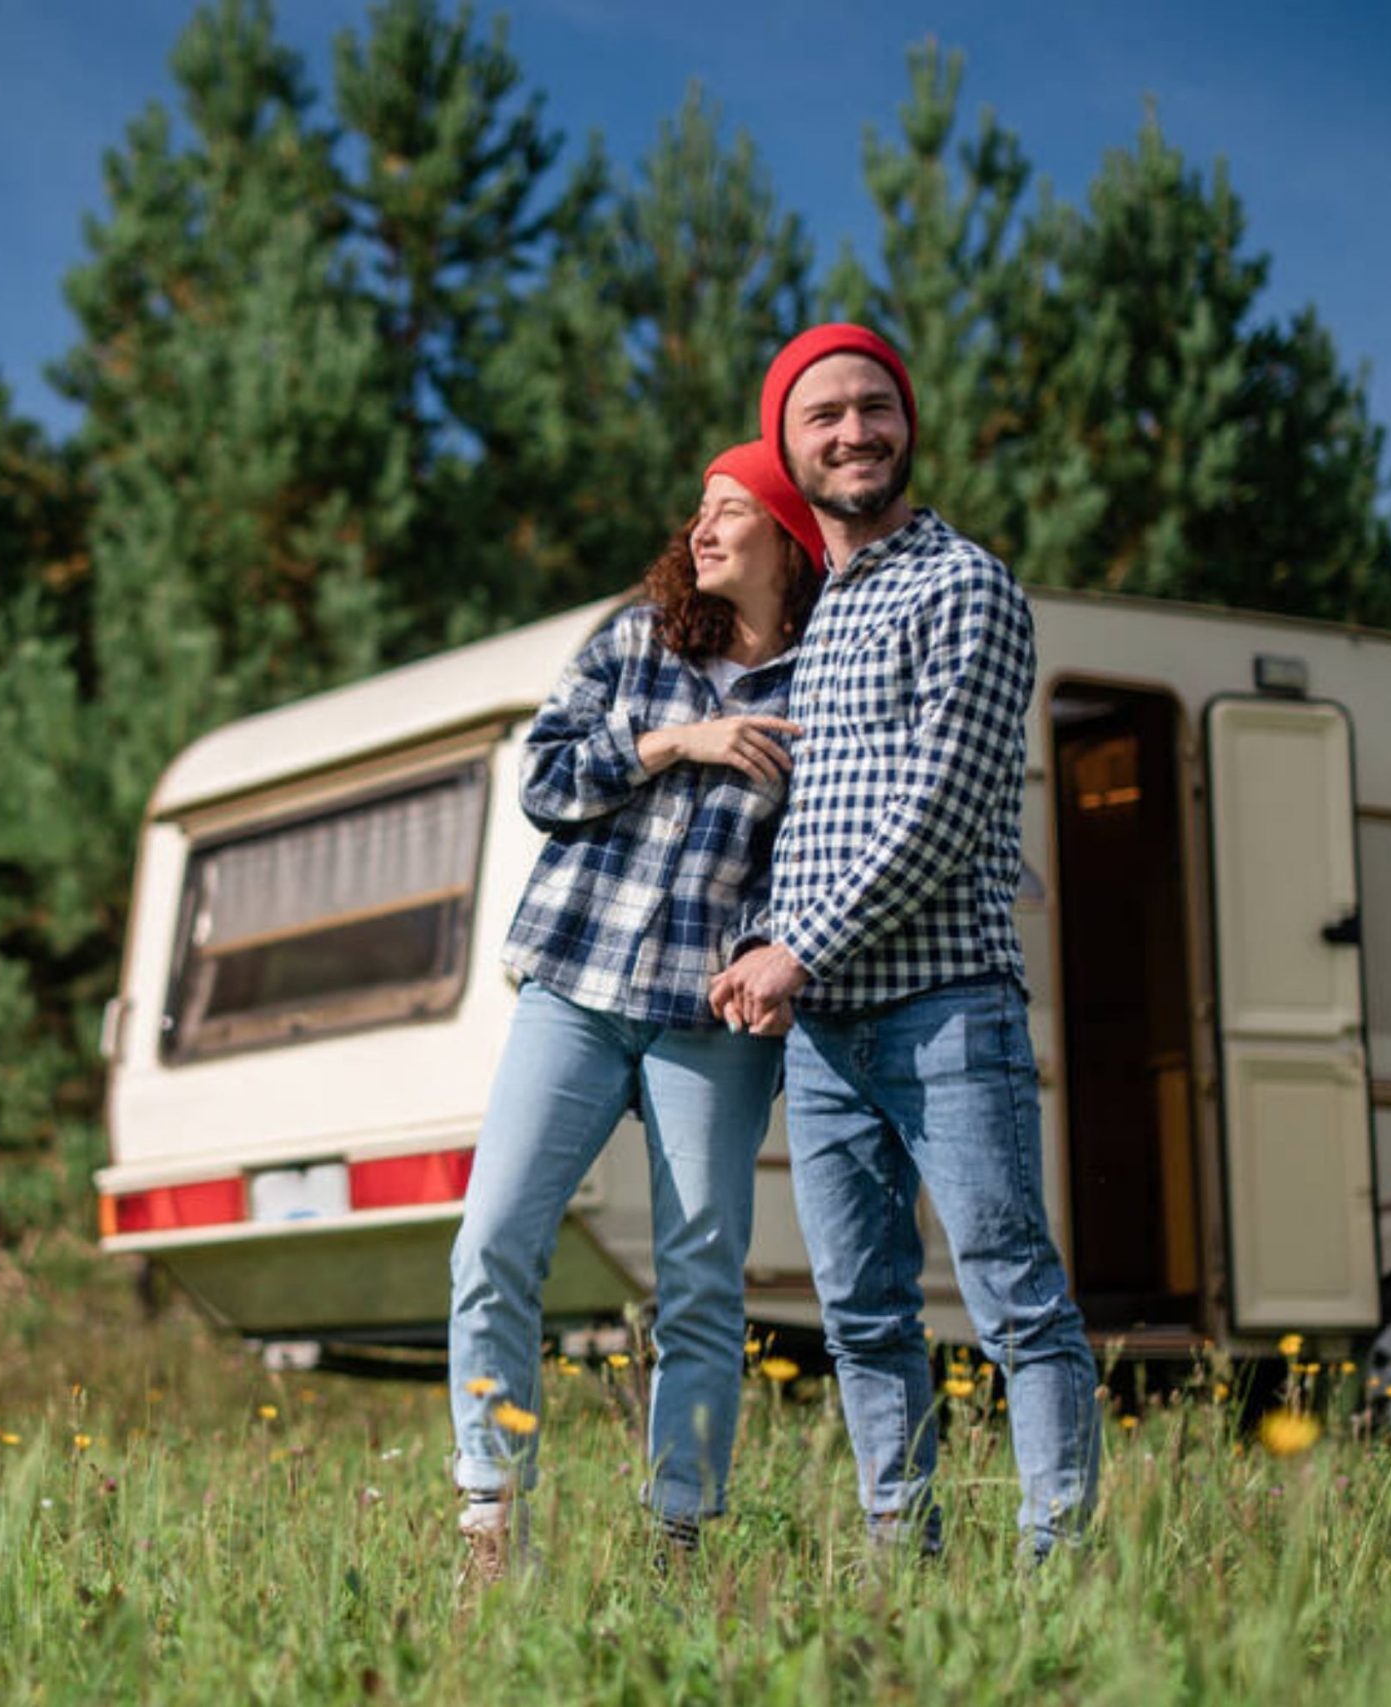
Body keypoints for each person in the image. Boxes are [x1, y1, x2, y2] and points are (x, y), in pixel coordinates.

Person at [710, 324, 1100, 1562]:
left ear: (906, 425)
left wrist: (793, 952)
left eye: (873, 406)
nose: (853, 431)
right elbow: (817, 829)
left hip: (946, 1009)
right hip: (825, 1038)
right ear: (788, 446)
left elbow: (935, 812)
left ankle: (1058, 1575)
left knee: (1014, 1301)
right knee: (863, 1320)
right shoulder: (821, 622)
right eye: (821, 414)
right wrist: (760, 943)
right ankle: (905, 1573)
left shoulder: (964, 586)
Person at [448, 443, 825, 1582]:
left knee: (700, 1277)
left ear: (787, 538)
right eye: (700, 512)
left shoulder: (821, 686)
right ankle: (488, 1516)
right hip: (577, 983)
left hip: (708, 1017)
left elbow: (813, 859)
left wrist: (774, 944)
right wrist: (675, 741)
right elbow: (544, 782)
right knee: (492, 1239)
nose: (702, 532)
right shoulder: (635, 642)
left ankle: (680, 1538)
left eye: (729, 512)